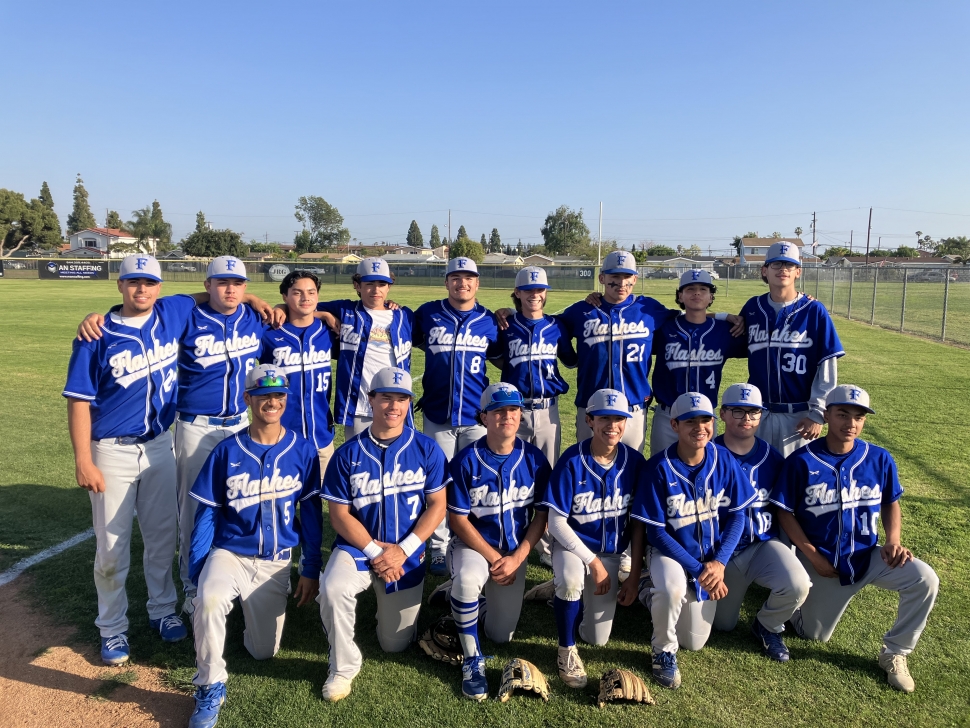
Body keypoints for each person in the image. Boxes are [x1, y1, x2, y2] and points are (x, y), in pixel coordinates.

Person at [63, 255, 194, 664]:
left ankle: (162, 610)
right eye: (134, 282)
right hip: (111, 450)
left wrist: (264, 302)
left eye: (150, 283)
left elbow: (213, 294)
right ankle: (113, 628)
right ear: (119, 285)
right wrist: (83, 459)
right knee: (112, 548)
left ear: (160, 285)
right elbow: (79, 402)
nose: (143, 290)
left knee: (161, 537)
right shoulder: (95, 334)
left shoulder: (173, 310)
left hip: (159, 445)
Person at [772, 385, 939, 693]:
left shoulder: (878, 458)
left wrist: (893, 539)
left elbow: (891, 501)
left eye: (859, 417)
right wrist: (812, 556)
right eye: (842, 414)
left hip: (869, 556)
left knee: (924, 578)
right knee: (814, 636)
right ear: (826, 415)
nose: (850, 423)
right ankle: (798, 608)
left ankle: (895, 652)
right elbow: (785, 513)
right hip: (823, 562)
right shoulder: (802, 461)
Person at [185, 365, 322, 728]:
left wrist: (309, 569)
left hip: (275, 563)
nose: (272, 402)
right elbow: (207, 516)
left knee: (263, 652)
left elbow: (310, 514)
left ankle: (241, 618)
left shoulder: (302, 450)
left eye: (279, 395)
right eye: (263, 396)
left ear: (286, 398)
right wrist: (196, 574)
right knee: (210, 599)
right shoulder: (227, 450)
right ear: (248, 399)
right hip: (230, 554)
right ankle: (210, 684)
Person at [317, 367, 449, 702]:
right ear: (371, 400)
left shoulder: (426, 449)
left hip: (407, 553)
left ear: (409, 403)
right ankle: (342, 667)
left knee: (394, 644)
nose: (394, 405)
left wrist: (402, 550)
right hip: (358, 548)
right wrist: (378, 553)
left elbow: (437, 506)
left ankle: (389, 609)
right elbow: (339, 515)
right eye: (386, 397)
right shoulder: (348, 452)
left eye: (401, 398)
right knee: (332, 588)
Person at [632, 392, 756, 690]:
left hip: (711, 559)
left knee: (695, 642)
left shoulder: (723, 458)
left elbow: (739, 515)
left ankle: (648, 594)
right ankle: (662, 650)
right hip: (669, 554)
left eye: (706, 420)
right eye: (690, 422)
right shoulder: (659, 467)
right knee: (673, 590)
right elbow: (657, 533)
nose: (700, 427)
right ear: (674, 425)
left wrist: (718, 563)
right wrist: (699, 570)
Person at [445, 383, 551, 701]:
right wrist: (494, 557)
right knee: (466, 581)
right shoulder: (466, 460)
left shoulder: (534, 460)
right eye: (499, 411)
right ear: (484, 417)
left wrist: (518, 558)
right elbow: (457, 520)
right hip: (474, 548)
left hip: (515, 553)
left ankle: (469, 600)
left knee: (500, 635)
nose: (507, 416)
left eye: (514, 410)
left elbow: (541, 516)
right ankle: (472, 660)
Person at [537, 388, 646, 689]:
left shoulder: (635, 463)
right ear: (589, 420)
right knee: (572, 579)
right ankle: (566, 650)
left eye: (619, 418)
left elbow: (638, 526)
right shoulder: (572, 460)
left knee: (597, 638)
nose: (612, 425)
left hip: (611, 555)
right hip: (574, 549)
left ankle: (559, 590)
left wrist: (634, 576)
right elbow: (556, 522)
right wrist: (592, 562)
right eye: (604, 418)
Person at [412, 257, 501, 575]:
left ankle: (474, 541)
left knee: (476, 482)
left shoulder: (489, 320)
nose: (462, 283)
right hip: (438, 414)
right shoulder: (427, 314)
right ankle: (438, 547)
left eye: (469, 278)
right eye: (455, 277)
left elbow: (501, 358)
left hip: (477, 417)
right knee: (436, 484)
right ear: (446, 282)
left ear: (477, 283)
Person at [710, 383, 811, 662]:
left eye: (753, 412)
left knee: (798, 583)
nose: (746, 419)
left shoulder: (773, 458)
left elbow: (783, 511)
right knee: (722, 626)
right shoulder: (707, 454)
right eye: (737, 411)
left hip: (761, 545)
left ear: (761, 416)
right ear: (723, 414)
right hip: (721, 554)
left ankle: (767, 625)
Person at [739, 241, 845, 456]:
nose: (783, 270)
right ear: (764, 270)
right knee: (758, 479)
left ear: (798, 272)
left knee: (795, 481)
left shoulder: (814, 310)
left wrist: (817, 413)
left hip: (799, 416)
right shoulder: (753, 308)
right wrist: (720, 316)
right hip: (759, 413)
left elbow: (826, 364)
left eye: (789, 265)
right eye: (776, 264)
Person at [649, 270, 748, 455]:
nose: (697, 293)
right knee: (662, 468)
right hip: (667, 415)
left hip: (705, 415)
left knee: (705, 468)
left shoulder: (724, 331)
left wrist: (724, 316)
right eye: (690, 289)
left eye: (703, 289)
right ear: (680, 296)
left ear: (711, 297)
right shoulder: (664, 328)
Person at [315, 257, 414, 440]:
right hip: (358, 407)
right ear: (357, 285)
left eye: (382, 284)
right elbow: (297, 309)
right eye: (369, 283)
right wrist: (325, 315)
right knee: (359, 461)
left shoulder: (404, 315)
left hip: (395, 407)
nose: (376, 290)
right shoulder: (345, 310)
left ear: (389, 286)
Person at [497, 266, 576, 465]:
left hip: (548, 411)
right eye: (528, 290)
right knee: (513, 467)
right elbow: (493, 356)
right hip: (515, 409)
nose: (535, 295)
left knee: (548, 469)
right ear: (517, 292)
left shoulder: (556, 326)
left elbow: (571, 361)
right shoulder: (506, 325)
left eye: (540, 290)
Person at [260, 270, 336, 478]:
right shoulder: (268, 333)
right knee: (279, 504)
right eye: (297, 293)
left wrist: (325, 314)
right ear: (284, 296)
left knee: (318, 503)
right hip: (279, 437)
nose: (306, 298)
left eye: (311, 292)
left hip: (321, 435)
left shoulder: (328, 331)